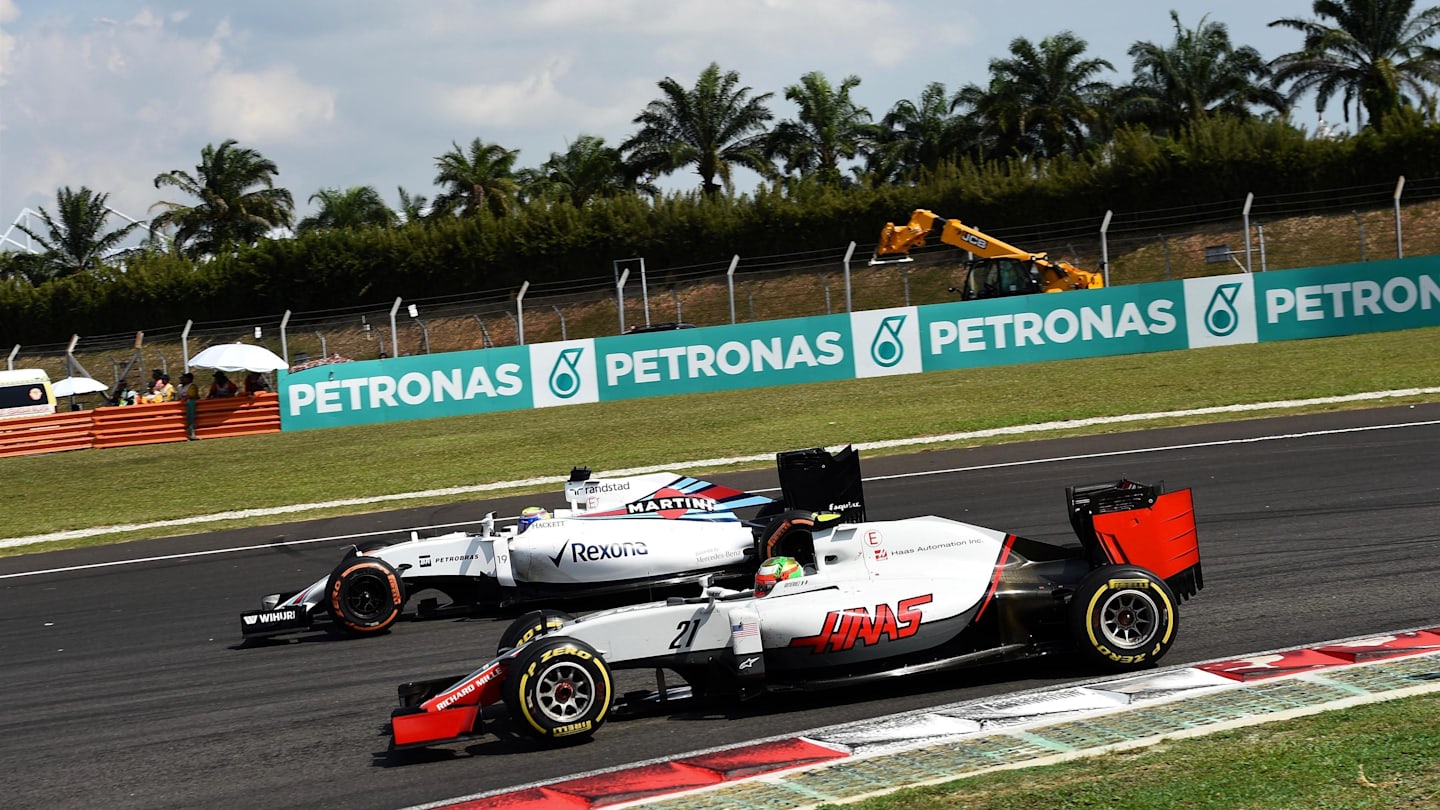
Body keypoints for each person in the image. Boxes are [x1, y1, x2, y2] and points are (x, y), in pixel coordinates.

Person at [178, 372, 201, 440]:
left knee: (190, 418)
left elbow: (190, 395)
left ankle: (192, 433)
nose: (182, 379)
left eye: (184, 378)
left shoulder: (192, 386)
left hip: (191, 405)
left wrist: (183, 400)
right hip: (183, 406)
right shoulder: (180, 386)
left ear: (189, 379)